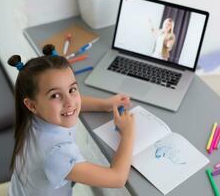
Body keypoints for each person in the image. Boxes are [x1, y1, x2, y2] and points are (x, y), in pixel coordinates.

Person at [8, 44, 135, 196]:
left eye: (72, 89)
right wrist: (128, 133)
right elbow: (117, 178)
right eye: (55, 95)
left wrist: (105, 104)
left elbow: (71, 103)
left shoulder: (32, 113)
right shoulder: (57, 154)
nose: (69, 102)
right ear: (31, 105)